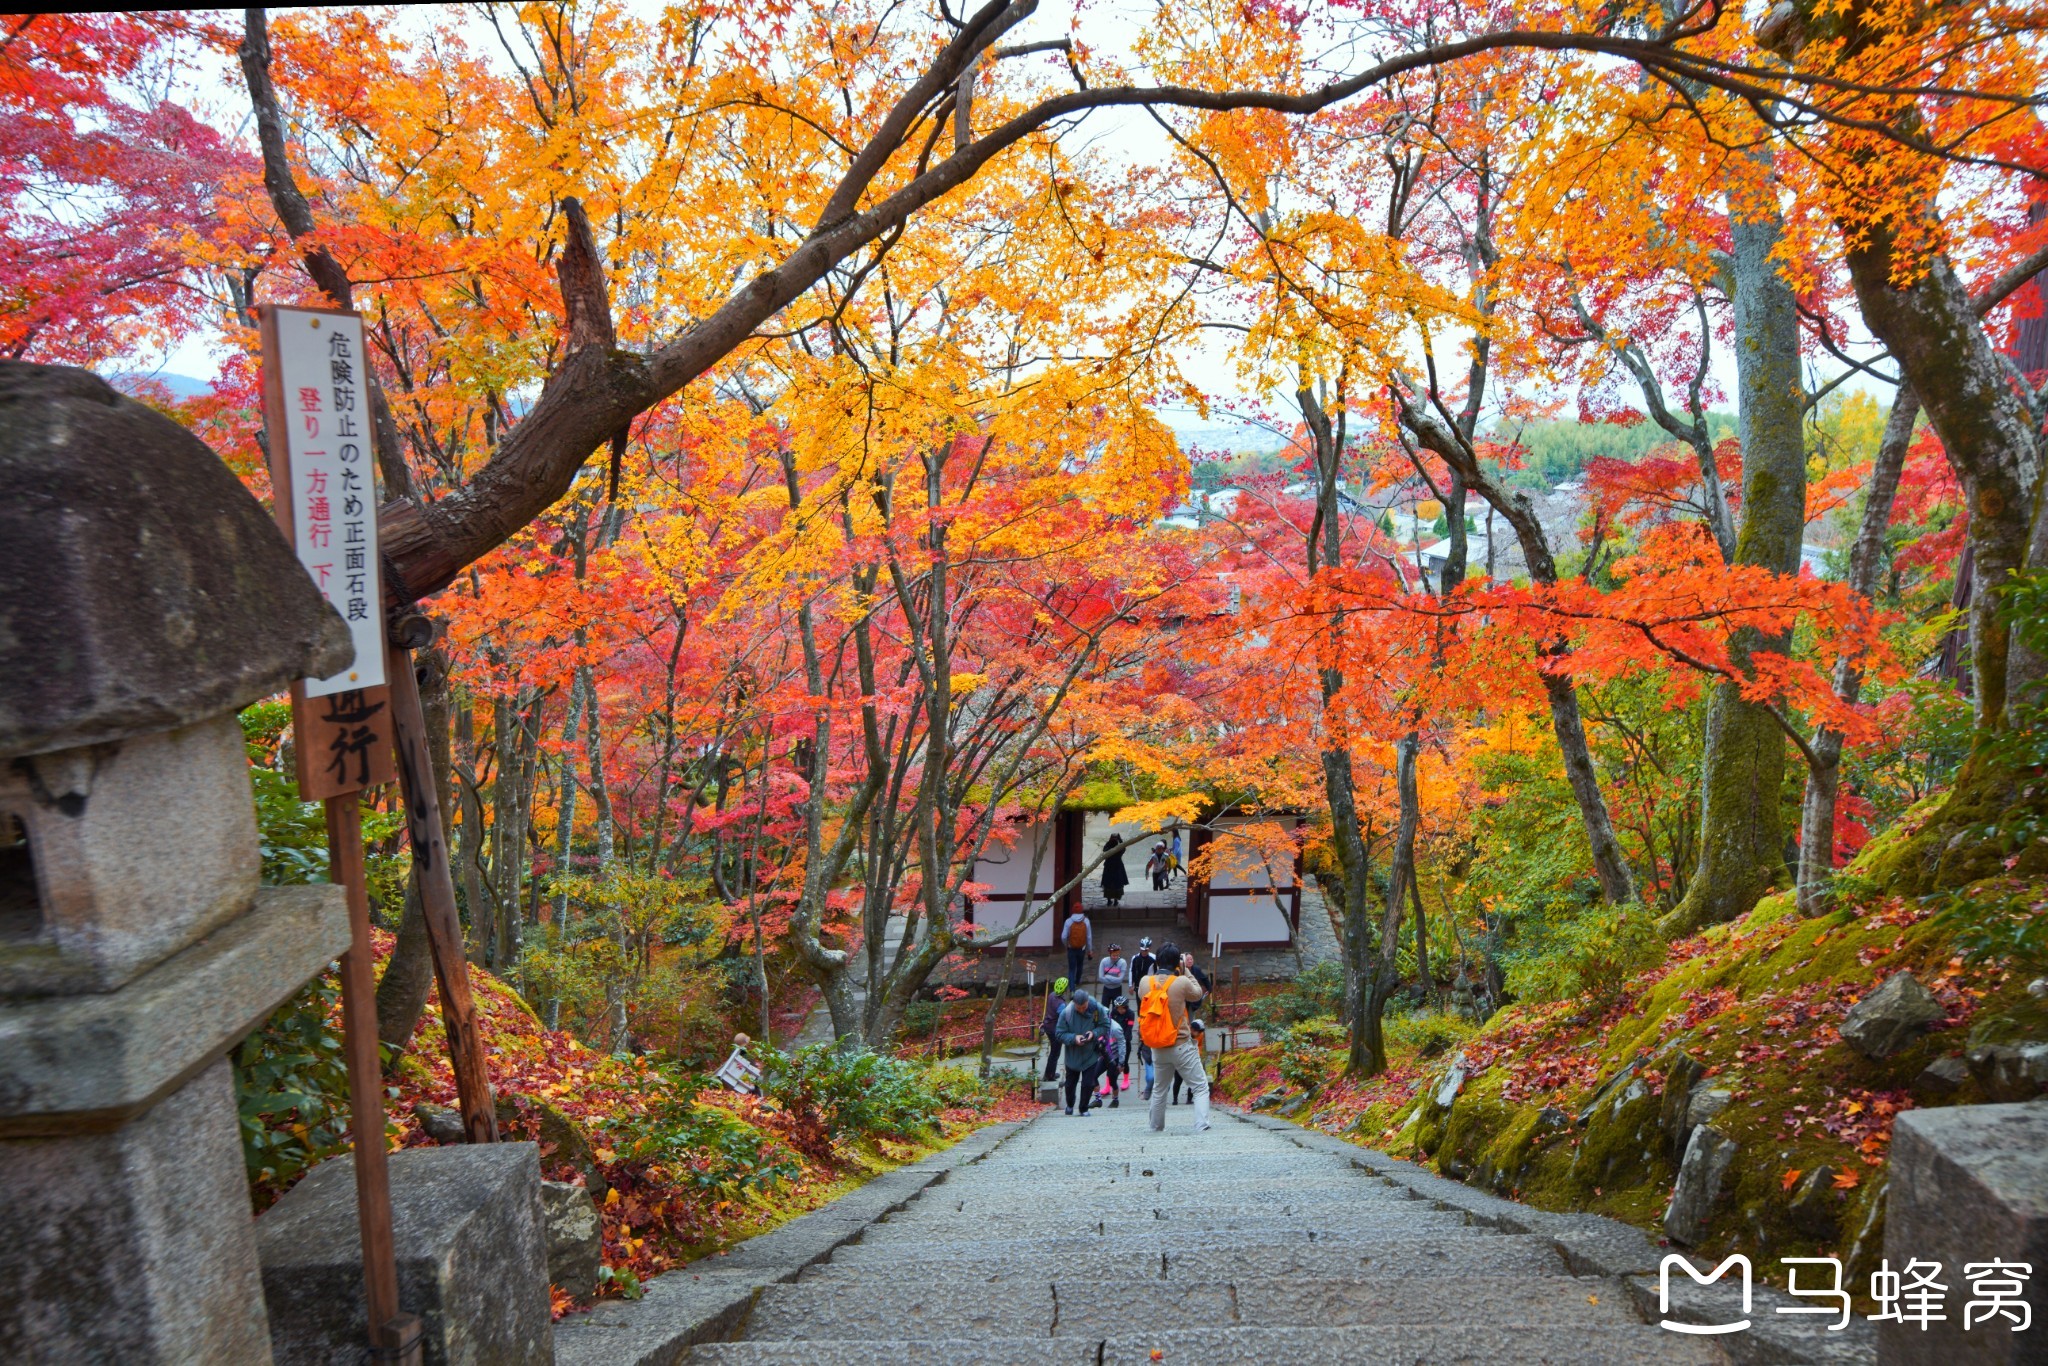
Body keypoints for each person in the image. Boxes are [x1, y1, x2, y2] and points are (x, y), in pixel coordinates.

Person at [1138, 942, 1211, 1133]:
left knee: (1159, 1089)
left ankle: (1155, 1127)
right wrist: (1186, 971)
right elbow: (1197, 994)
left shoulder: (1145, 981)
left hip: (1158, 1046)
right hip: (1180, 1044)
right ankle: (1202, 1125)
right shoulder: (1181, 982)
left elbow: (1140, 995)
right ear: (1177, 963)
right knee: (1200, 1087)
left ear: (1157, 960)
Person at [1055, 989, 1113, 1116]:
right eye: (1079, 1008)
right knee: (1070, 1085)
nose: (1082, 1010)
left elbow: (1105, 1025)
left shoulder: (1097, 1009)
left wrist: (1094, 1033)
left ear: (1087, 1002)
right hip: (1072, 1056)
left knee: (1088, 1084)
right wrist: (1073, 1038)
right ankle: (1070, 1105)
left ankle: (1084, 1108)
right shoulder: (1066, 1013)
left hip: (1090, 1054)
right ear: (1074, 1004)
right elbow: (1059, 1033)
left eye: (1084, 1007)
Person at [1039, 977, 1068, 1088]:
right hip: (1055, 1030)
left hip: (1048, 1026)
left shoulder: (1051, 995)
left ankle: (1049, 1073)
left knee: (1053, 1053)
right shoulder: (1061, 1004)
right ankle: (1049, 1076)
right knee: (1055, 1054)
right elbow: (1063, 1018)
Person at [1108, 992, 1136, 1094]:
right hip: (1114, 1040)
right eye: (1118, 1008)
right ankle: (1108, 1084)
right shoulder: (1113, 1013)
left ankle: (1126, 1079)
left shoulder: (1130, 1014)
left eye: (1122, 1008)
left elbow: (1129, 1029)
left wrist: (1123, 1040)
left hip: (1124, 1041)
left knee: (1124, 1062)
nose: (1120, 1010)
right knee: (1110, 1063)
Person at [1061, 908, 1093, 988]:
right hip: (1082, 948)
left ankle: (1072, 989)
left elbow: (1063, 937)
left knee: (1071, 969)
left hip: (1071, 948)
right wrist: (1090, 950)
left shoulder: (1068, 921)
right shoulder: (1086, 921)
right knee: (1080, 965)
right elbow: (1089, 937)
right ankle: (1077, 981)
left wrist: (1067, 945)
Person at [1099, 833, 1129, 908]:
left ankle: (1109, 901)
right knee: (1116, 884)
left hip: (1109, 868)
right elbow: (1124, 847)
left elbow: (1104, 848)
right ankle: (1115, 901)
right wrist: (1120, 839)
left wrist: (1109, 841)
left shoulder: (1107, 850)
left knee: (1108, 884)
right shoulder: (1119, 850)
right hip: (1117, 868)